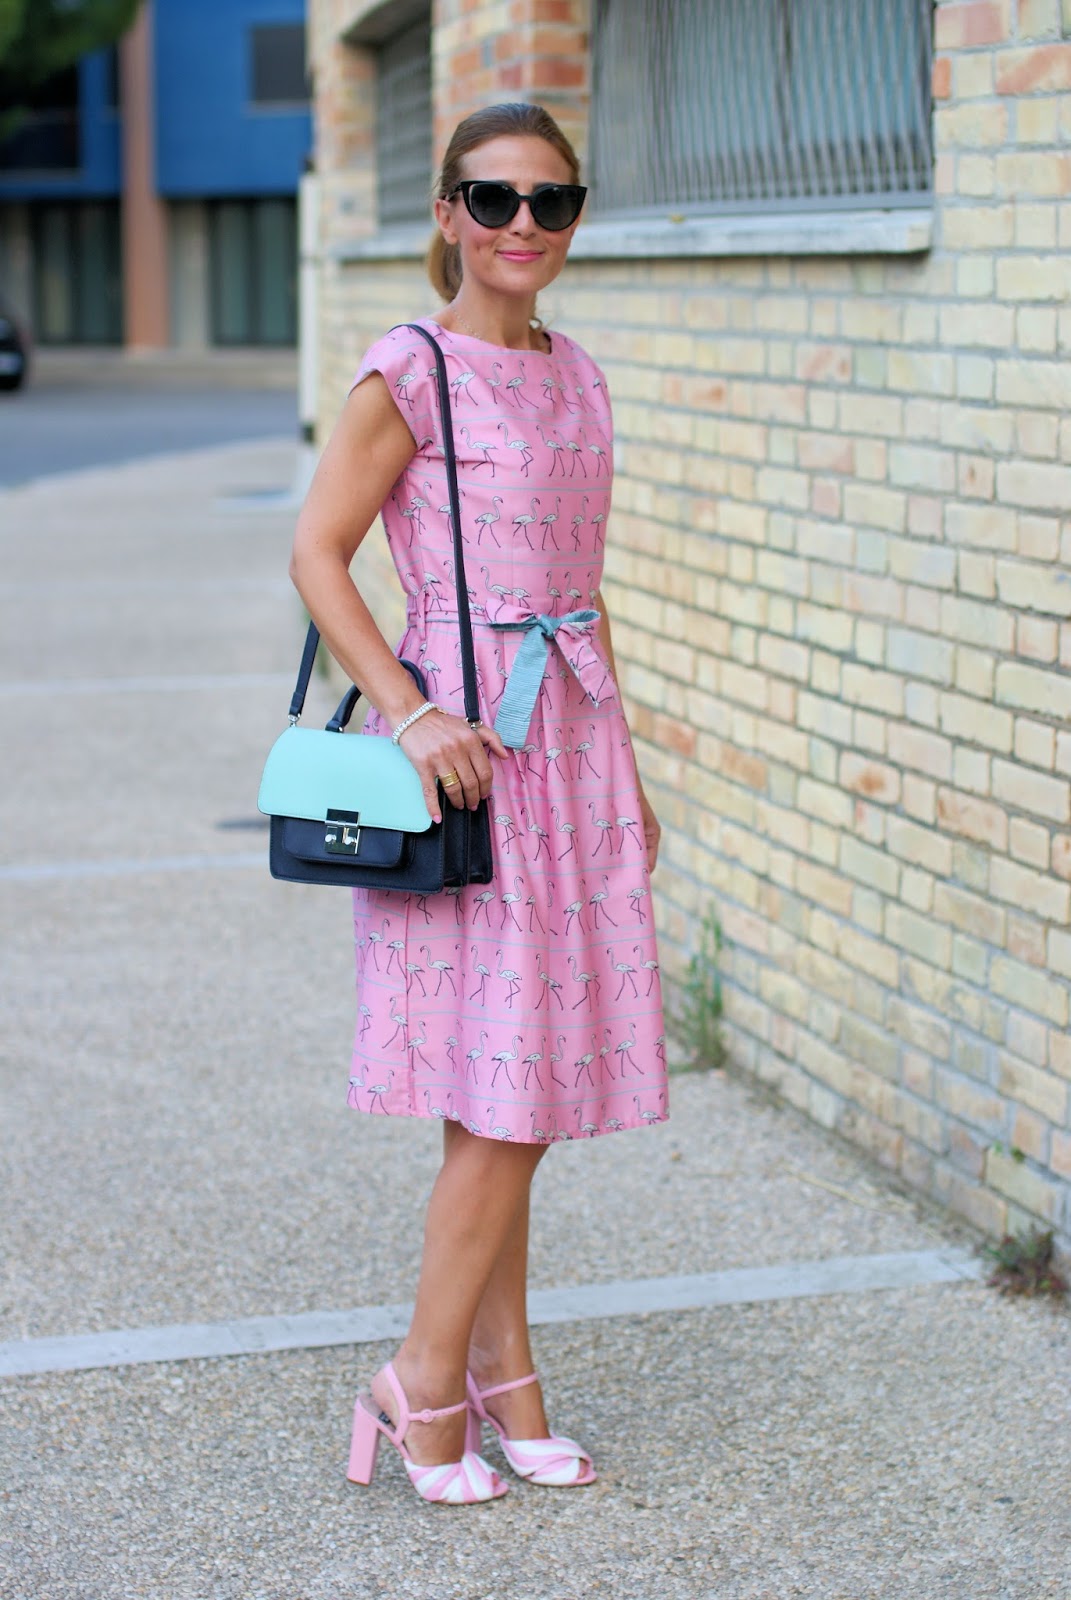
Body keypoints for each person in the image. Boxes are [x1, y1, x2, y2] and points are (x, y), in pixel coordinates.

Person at [289, 102, 668, 1505]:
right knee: (504, 1101)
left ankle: (505, 1385)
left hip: (567, 750)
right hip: (461, 760)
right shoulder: (412, 372)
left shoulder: (581, 380)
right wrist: (413, 709)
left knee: (523, 1091)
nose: (524, 227)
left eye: (552, 202)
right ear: (447, 213)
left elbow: (587, 595)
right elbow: (320, 555)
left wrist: (623, 770)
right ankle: (420, 1380)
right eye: (495, 200)